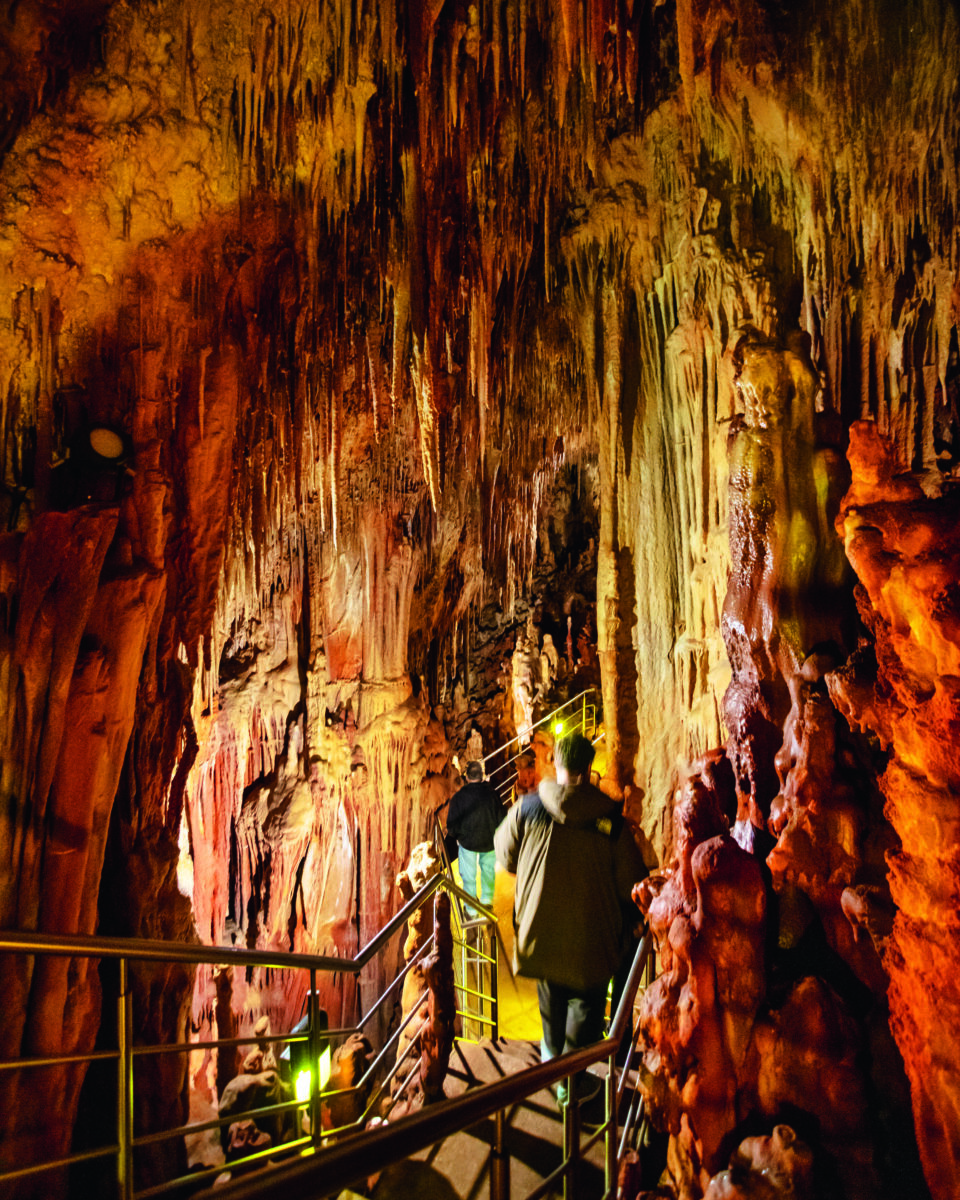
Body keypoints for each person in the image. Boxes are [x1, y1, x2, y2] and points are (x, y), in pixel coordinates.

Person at [494, 732, 644, 1107]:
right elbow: (632, 882)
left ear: (556, 765)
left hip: (541, 933)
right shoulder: (610, 820)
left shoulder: (529, 808)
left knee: (552, 1002)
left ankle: (551, 1061)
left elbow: (504, 853)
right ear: (588, 767)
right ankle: (573, 1083)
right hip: (592, 938)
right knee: (586, 1008)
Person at [446, 761, 506, 915]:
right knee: (488, 872)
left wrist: (459, 835)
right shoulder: (493, 794)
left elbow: (452, 826)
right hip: (489, 842)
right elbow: (501, 818)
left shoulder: (459, 797)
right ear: (481, 776)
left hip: (468, 844)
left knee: (468, 876)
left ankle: (471, 909)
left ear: (466, 777)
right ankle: (486, 903)